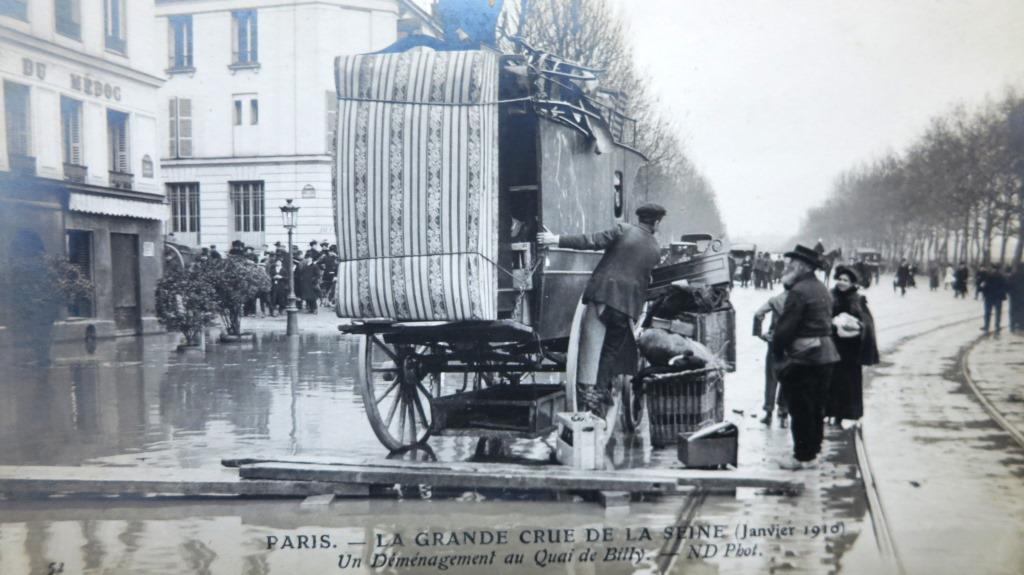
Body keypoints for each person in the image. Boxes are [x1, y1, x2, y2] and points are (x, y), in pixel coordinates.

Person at [537, 203, 665, 417]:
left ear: (640, 218)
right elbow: (647, 277)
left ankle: (586, 388)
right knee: (611, 350)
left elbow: (590, 241)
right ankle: (599, 391)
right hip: (626, 308)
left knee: (590, 344)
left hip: (602, 297)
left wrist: (555, 239)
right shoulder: (655, 249)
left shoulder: (623, 230)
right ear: (657, 223)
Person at [772, 245, 840, 470]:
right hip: (826, 354)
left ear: (803, 267)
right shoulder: (821, 288)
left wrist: (776, 349)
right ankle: (813, 452)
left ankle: (802, 456)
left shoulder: (799, 291)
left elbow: (786, 328)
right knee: (816, 407)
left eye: (791, 264)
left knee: (800, 408)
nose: (787, 267)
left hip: (805, 357)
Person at [827, 266, 879, 428]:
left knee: (849, 382)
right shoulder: (830, 297)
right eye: (840, 279)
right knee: (831, 380)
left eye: (845, 280)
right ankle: (830, 412)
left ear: (852, 283)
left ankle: (848, 413)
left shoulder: (858, 300)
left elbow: (867, 324)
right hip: (833, 344)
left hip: (851, 348)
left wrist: (857, 327)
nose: (841, 283)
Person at [753, 291, 789, 428]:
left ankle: (768, 413)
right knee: (788, 378)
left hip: (774, 342)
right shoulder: (801, 300)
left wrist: (759, 333)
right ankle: (784, 413)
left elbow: (758, 314)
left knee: (771, 377)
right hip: (792, 343)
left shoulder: (776, 300)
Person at [979, 265, 1008, 333]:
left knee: (987, 313)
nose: (992, 270)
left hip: (989, 297)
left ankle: (987, 326)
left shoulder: (989, 276)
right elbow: (1005, 287)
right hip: (997, 297)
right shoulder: (1002, 277)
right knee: (997, 313)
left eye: (993, 269)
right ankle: (997, 327)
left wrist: (984, 293)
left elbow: (984, 286)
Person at [1008, 265, 1024, 332]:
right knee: (1021, 311)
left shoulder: (1012, 276)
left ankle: (1012, 326)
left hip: (1014, 297)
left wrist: (1011, 294)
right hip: (1022, 297)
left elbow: (1008, 286)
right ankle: (1021, 325)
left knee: (1012, 311)